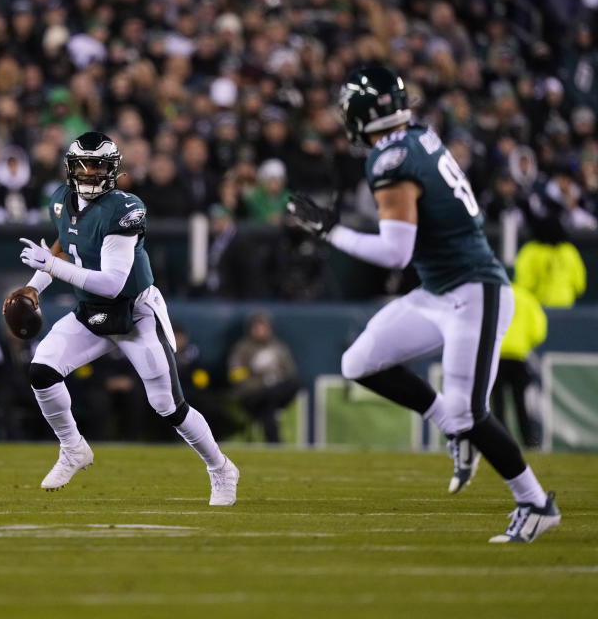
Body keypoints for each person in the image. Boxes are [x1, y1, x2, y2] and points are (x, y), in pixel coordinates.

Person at [288, 66, 559, 543]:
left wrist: (331, 231)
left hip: (475, 292)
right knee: (359, 362)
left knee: (469, 411)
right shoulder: (419, 135)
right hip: (437, 291)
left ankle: (535, 502)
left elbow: (396, 253)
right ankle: (450, 430)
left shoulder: (391, 159)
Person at [4, 131, 239, 505]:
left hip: (135, 311)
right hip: (89, 311)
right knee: (42, 370)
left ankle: (221, 468)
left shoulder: (125, 208)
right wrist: (35, 286)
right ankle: (73, 447)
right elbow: (65, 243)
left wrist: (49, 265)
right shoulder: (61, 202)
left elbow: (112, 284)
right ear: (70, 168)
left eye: (98, 165)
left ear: (112, 170)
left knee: (168, 406)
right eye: (82, 165)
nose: (89, 173)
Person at [227, 313, 300, 443]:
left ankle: (274, 444)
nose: (261, 331)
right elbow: (236, 376)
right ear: (251, 329)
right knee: (267, 405)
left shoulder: (279, 348)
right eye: (257, 327)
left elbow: (291, 373)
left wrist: (274, 382)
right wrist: (262, 384)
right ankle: (275, 443)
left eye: (264, 327)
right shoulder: (242, 348)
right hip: (252, 395)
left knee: (270, 403)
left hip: (276, 392)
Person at [491, 284, 547, 448]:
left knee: (498, 403)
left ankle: (501, 441)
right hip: (518, 356)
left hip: (497, 356)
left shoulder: (495, 294)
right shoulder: (527, 298)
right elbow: (538, 329)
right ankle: (528, 441)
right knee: (520, 403)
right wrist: (524, 344)